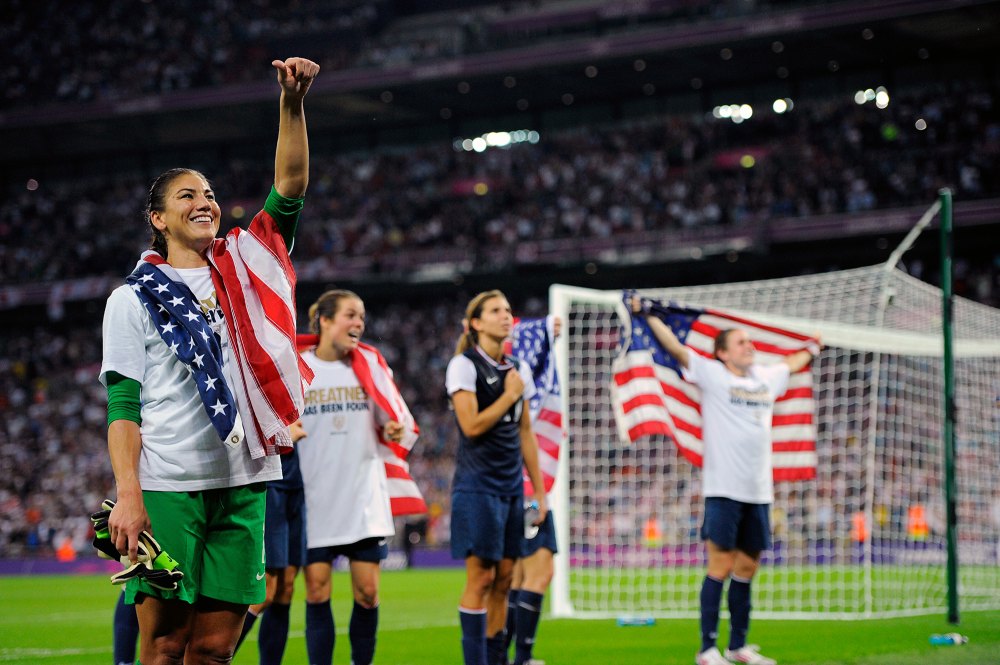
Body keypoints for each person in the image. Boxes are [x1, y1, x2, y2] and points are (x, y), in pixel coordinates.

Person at [99, 56, 319, 665]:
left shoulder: (247, 270)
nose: (205, 202)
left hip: (243, 484)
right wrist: (128, 493)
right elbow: (123, 405)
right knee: (165, 645)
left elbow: (291, 187)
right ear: (157, 217)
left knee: (217, 651)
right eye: (187, 194)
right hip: (170, 487)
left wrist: (292, 104)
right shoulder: (132, 299)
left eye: (211, 194)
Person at [631, 296, 818, 665]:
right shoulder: (712, 375)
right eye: (741, 343)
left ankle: (738, 646)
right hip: (723, 490)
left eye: (750, 341)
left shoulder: (766, 377)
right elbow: (675, 348)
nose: (750, 346)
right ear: (722, 353)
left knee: (748, 568)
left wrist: (813, 345)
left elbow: (792, 362)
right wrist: (648, 315)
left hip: (759, 491)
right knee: (719, 566)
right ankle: (707, 648)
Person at [296, 289, 421, 665]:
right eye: (350, 315)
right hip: (313, 498)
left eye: (362, 317)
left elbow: (395, 417)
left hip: (362, 495)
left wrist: (398, 431)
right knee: (317, 591)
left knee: (367, 592)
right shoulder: (295, 366)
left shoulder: (371, 365)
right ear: (324, 320)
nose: (358, 324)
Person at [447, 290, 548, 665]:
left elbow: (525, 433)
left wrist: (539, 491)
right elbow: (471, 425)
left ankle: (497, 661)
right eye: (495, 311)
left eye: (508, 309)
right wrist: (508, 397)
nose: (506, 316)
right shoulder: (464, 365)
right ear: (476, 323)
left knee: (506, 581)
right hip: (477, 488)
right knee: (482, 580)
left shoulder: (517, 369)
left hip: (510, 490)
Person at [505, 316, 562, 665]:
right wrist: (541, 330)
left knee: (520, 575)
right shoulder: (500, 366)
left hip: (522, 483)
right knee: (535, 573)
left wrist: (543, 332)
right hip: (522, 483)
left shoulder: (499, 360)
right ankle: (519, 656)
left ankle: (507, 656)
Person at [234, 419, 308, 664]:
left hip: (294, 485)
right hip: (269, 481)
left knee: (286, 587)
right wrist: (284, 435)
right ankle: (210, 657)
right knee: (267, 589)